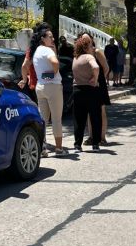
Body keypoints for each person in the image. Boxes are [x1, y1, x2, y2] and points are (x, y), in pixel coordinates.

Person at [30, 24, 65, 156]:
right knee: (56, 119)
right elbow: (55, 63)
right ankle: (59, 148)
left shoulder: (37, 51)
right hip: (53, 87)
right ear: (43, 38)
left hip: (41, 86)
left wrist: (45, 75)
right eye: (50, 37)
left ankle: (43, 148)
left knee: (43, 120)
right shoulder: (47, 50)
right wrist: (53, 73)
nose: (53, 39)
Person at [72, 34, 101, 152]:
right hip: (91, 90)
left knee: (79, 118)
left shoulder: (76, 58)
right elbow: (96, 67)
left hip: (77, 90)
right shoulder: (90, 57)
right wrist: (95, 78)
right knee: (95, 117)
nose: (92, 48)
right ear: (85, 47)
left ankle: (77, 144)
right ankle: (95, 144)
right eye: (90, 45)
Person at [84, 36, 111, 145]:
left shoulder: (97, 52)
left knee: (101, 111)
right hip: (88, 84)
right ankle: (91, 136)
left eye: (87, 39)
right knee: (89, 112)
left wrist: (100, 80)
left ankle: (102, 137)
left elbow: (106, 68)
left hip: (99, 84)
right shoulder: (82, 53)